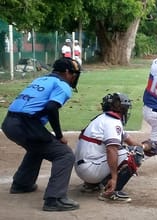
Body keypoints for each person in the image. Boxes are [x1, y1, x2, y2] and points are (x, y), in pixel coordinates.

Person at [1, 57, 81, 211]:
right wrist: (59, 135)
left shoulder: (41, 80)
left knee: (38, 146)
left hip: (9, 122)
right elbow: (51, 108)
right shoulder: (62, 85)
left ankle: (22, 184)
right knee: (64, 155)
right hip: (26, 124)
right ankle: (55, 199)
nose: (74, 77)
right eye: (73, 73)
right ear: (66, 72)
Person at [74, 92, 149, 202]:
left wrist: (146, 146)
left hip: (83, 167)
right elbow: (111, 150)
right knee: (134, 153)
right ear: (122, 109)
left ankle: (91, 185)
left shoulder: (102, 118)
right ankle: (112, 191)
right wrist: (114, 178)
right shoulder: (113, 122)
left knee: (129, 149)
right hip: (90, 170)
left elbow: (130, 141)